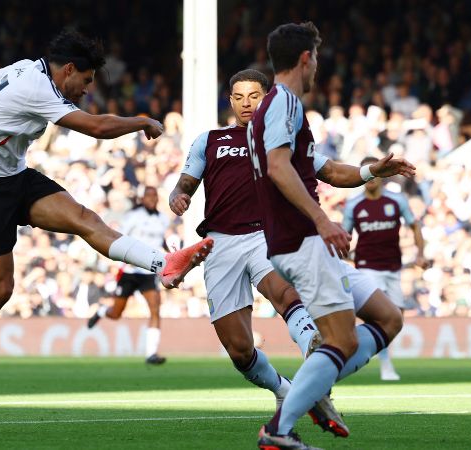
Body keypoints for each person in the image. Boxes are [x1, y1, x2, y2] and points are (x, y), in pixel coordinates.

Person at [0, 29, 214, 429]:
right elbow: (97, 127)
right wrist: (141, 120)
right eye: (85, 81)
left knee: (86, 220)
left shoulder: (24, 68)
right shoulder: (39, 87)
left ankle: (165, 263)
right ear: (68, 70)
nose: (86, 90)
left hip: (15, 176)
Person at [171, 68, 410, 444]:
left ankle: (315, 364)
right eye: (239, 96)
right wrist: (179, 196)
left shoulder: (280, 138)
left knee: (286, 296)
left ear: (265, 98)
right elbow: (185, 182)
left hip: (266, 235)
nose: (247, 103)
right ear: (230, 100)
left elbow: (331, 171)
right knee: (239, 350)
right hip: (220, 244)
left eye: (254, 95)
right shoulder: (210, 140)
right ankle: (291, 392)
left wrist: (369, 171)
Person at [248, 23, 415, 449]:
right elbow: (279, 168)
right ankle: (278, 430)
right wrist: (322, 221)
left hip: (305, 243)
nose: (318, 65)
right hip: (300, 241)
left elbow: (325, 169)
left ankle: (313, 383)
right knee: (342, 340)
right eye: (317, 58)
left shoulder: (278, 109)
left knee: (388, 318)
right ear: (306, 59)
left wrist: (371, 171)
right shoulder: (284, 103)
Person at [343, 156, 426, 381]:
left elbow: (414, 225)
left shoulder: (396, 201)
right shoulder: (354, 205)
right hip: (367, 267)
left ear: (381, 175)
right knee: (381, 317)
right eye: (367, 174)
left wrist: (420, 254)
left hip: (393, 267)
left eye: (375, 174)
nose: (371, 179)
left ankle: (364, 348)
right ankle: (385, 364)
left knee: (396, 318)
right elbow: (345, 235)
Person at [87, 186, 170, 364]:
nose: (152, 199)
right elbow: (121, 238)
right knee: (116, 313)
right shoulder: (134, 216)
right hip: (130, 271)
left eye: (155, 196)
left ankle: (151, 354)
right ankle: (102, 311)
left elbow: (162, 241)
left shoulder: (163, 219)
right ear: (142, 199)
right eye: (149, 196)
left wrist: (170, 255)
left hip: (149, 272)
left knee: (155, 309)